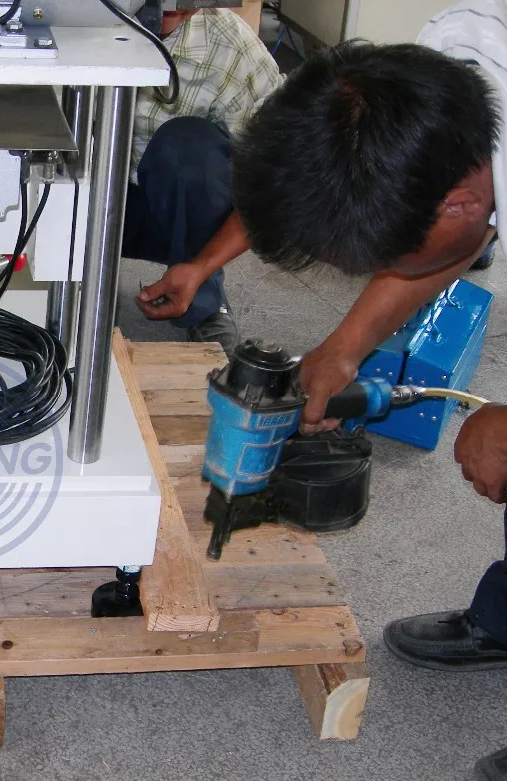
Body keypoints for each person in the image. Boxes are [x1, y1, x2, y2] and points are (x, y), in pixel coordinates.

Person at [136, 0, 507, 776]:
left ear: (466, 204)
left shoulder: (460, 168)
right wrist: (342, 350)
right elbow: (428, 230)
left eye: (384, 262)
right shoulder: (421, 89)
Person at [123, 5, 282, 354]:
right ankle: (62, 283)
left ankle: (203, 302)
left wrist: (201, 265)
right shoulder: (67, 23)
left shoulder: (227, 42)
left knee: (190, 146)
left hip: (177, 213)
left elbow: (273, 181)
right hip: (89, 203)